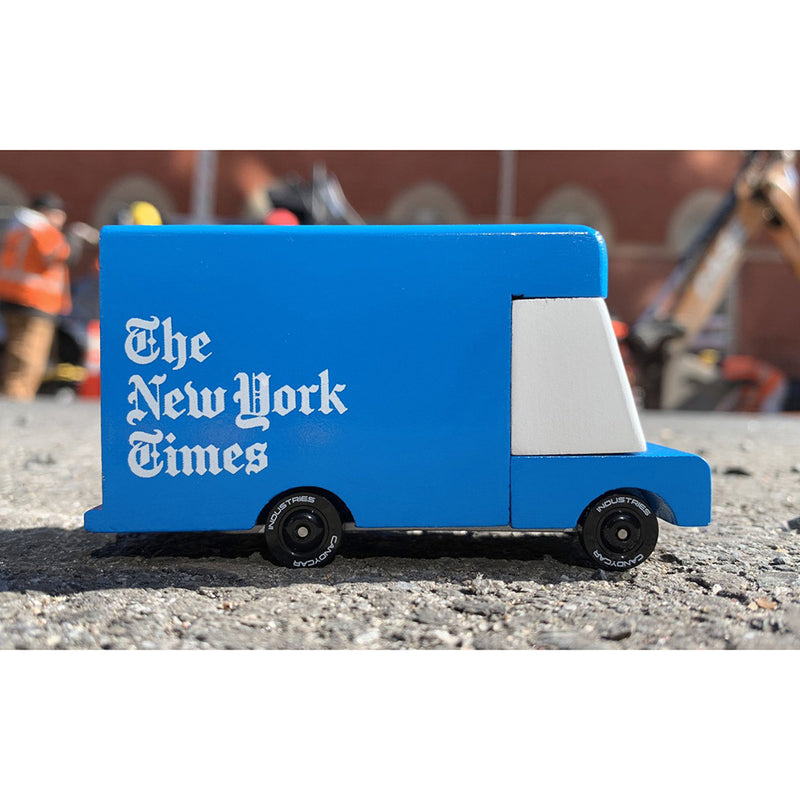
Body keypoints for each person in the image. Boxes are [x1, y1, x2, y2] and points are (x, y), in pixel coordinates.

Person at [0, 193, 71, 400]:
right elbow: (58, 255)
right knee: (29, 356)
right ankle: (17, 400)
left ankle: (10, 395)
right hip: (37, 302)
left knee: (15, 351)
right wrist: (73, 240)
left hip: (14, 297)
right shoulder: (42, 228)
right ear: (48, 212)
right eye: (59, 214)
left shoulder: (17, 228)